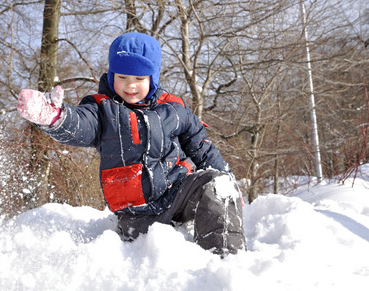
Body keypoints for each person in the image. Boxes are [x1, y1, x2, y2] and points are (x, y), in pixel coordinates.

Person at [17, 32, 246, 257]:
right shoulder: (102, 111)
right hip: (137, 215)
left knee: (218, 185)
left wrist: (228, 180)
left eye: (139, 79)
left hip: (177, 194)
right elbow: (81, 126)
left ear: (152, 79)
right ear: (111, 76)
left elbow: (201, 147)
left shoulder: (173, 109)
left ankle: (225, 261)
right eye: (123, 77)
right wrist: (55, 117)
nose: (130, 86)